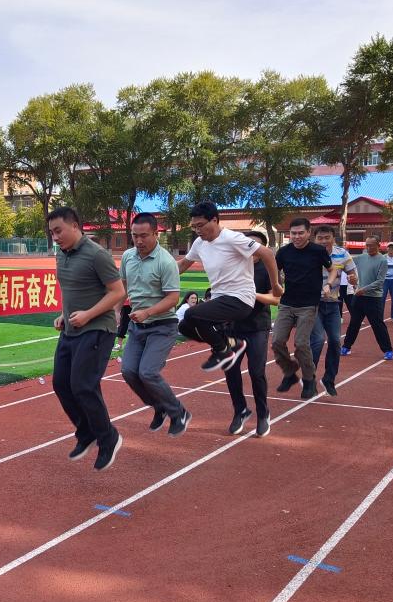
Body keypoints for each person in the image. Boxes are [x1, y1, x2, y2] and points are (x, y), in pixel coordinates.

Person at [48, 207, 126, 472]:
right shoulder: (61, 254)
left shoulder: (97, 255)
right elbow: (73, 290)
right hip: (71, 329)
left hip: (97, 328)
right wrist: (64, 314)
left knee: (83, 385)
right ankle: (86, 432)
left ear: (75, 226)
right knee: (61, 383)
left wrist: (88, 314)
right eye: (52, 233)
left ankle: (108, 438)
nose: (55, 237)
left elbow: (118, 292)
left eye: (58, 231)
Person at [177, 201, 282, 372]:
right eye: (194, 227)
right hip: (220, 298)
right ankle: (230, 343)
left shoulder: (232, 238)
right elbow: (183, 265)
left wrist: (275, 284)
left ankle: (222, 351)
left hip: (241, 298)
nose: (197, 230)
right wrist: (158, 277)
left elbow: (267, 253)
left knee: (191, 313)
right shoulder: (199, 243)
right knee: (184, 326)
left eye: (200, 225)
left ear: (214, 220)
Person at [119, 213, 191, 436]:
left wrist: (147, 312)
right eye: (134, 236)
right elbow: (122, 288)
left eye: (144, 236)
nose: (139, 241)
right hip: (137, 326)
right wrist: (115, 313)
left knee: (148, 372)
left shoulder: (165, 262)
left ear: (155, 234)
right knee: (129, 371)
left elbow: (173, 298)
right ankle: (159, 406)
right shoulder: (128, 257)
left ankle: (178, 412)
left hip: (162, 325)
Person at [225, 231, 280, 438]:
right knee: (231, 371)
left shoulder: (267, 269)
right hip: (232, 328)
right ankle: (240, 410)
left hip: (257, 328)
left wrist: (251, 294)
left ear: (263, 248)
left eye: (254, 244)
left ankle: (263, 414)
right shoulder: (233, 267)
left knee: (256, 372)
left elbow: (276, 299)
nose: (249, 248)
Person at [271, 217, 331, 399]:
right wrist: (276, 284)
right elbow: (274, 270)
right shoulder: (284, 252)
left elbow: (332, 269)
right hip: (287, 303)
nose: (296, 237)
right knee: (277, 341)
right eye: (293, 233)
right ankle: (290, 371)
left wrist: (328, 284)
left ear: (308, 233)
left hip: (308, 305)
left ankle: (309, 379)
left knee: (301, 343)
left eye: (300, 233)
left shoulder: (318, 251)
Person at [310, 226, 357, 396]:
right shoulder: (308, 254)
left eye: (327, 237)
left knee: (336, 341)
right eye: (320, 238)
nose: (323, 241)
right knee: (317, 340)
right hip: (313, 305)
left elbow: (353, 276)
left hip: (332, 304)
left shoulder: (342, 254)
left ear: (333, 239)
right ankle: (309, 379)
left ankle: (329, 379)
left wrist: (353, 279)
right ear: (314, 239)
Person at [341, 237, 393, 360]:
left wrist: (364, 289)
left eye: (371, 245)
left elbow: (380, 281)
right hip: (359, 297)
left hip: (373, 298)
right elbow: (345, 263)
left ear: (378, 246)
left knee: (377, 325)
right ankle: (346, 347)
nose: (369, 248)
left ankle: (388, 350)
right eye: (367, 245)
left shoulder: (382, 260)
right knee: (354, 323)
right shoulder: (361, 257)